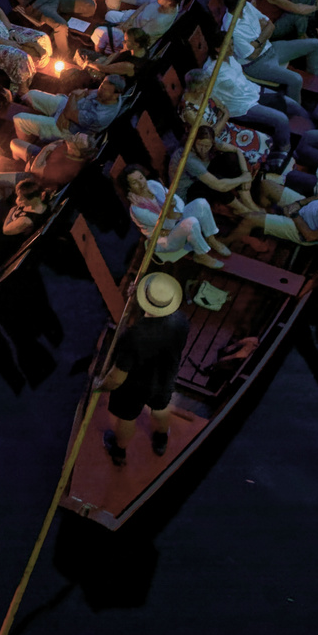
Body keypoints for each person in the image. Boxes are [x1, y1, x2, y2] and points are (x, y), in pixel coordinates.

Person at [96, 273, 192, 462]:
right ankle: (161, 440)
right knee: (161, 408)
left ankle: (119, 451)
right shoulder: (181, 320)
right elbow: (156, 322)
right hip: (164, 379)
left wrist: (100, 386)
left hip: (134, 387)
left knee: (127, 418)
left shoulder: (133, 337)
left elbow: (117, 378)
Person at [222, 0, 318, 107]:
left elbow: (271, 25)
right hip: (256, 64)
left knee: (314, 44)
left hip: (271, 48)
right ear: (239, 3)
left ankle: (315, 84)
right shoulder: (231, 28)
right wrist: (263, 34)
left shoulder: (247, 7)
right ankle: (296, 110)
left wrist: (257, 42)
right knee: (296, 80)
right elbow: (252, 55)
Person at [191, 54, 308, 152]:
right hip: (241, 106)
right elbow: (210, 95)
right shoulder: (211, 72)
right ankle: (285, 150)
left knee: (292, 104)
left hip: (253, 91)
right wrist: (223, 109)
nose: (232, 48)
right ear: (217, 50)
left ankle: (310, 127)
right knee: (281, 119)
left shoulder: (230, 58)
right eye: (229, 45)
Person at [121, 164, 228, 270]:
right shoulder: (137, 210)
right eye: (135, 183)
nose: (141, 184)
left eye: (141, 178)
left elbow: (177, 201)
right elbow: (167, 224)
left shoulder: (153, 184)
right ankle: (201, 256)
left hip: (174, 221)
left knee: (201, 203)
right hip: (164, 239)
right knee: (190, 222)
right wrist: (172, 211)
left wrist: (176, 211)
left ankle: (211, 239)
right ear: (129, 188)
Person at [170, 125, 261, 213]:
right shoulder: (189, 158)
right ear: (194, 141)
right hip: (188, 192)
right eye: (200, 145)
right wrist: (244, 178)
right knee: (215, 182)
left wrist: (245, 173)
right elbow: (218, 185)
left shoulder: (211, 141)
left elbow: (237, 150)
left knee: (230, 157)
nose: (203, 149)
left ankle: (247, 201)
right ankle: (242, 209)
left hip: (203, 175)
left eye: (207, 146)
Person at [14, 75, 124, 143]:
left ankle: (27, 144)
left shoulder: (100, 116)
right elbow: (81, 93)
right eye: (101, 87)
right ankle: (35, 123)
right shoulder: (106, 93)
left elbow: (75, 97)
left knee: (18, 119)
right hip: (68, 109)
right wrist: (68, 108)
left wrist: (72, 100)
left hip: (68, 130)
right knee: (32, 94)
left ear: (116, 95)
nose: (100, 91)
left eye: (105, 91)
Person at [0, 131, 95, 196]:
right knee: (14, 143)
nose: (72, 137)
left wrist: (46, 149)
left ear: (76, 151)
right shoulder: (74, 149)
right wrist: (47, 150)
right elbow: (60, 142)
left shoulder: (63, 170)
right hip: (43, 156)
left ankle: (2, 201)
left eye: (75, 139)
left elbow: (35, 169)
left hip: (36, 179)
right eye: (76, 135)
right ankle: (15, 178)